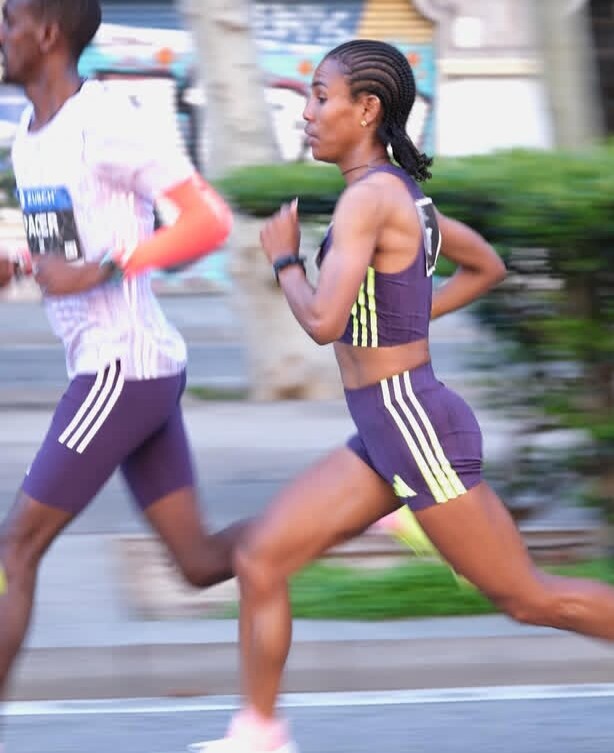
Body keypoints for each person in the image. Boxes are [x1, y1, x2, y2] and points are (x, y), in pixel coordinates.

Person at [193, 38, 614, 753]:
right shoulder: (396, 195)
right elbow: (485, 266)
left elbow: (323, 322)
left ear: (366, 109)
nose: (306, 113)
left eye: (319, 97)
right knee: (261, 559)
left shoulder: (369, 199)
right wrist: (404, 322)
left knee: (527, 597)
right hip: (385, 430)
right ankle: (258, 733)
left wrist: (285, 259)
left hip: (414, 425)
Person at [0, 0, 247, 742]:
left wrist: (108, 266)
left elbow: (208, 219)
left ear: (46, 33)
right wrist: (21, 264)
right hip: (131, 368)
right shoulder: (29, 137)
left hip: (121, 368)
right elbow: (63, 258)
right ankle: (348, 509)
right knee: (199, 562)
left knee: (16, 547)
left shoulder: (106, 120)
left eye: (7, 19)